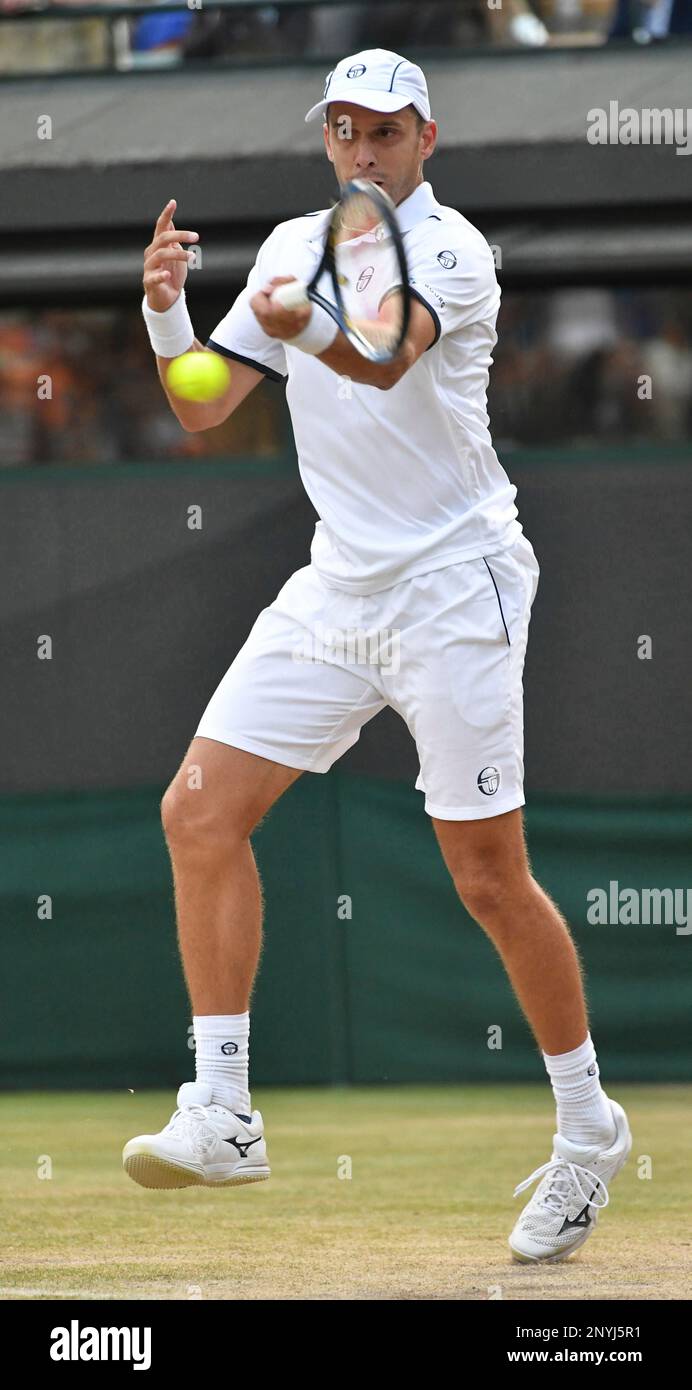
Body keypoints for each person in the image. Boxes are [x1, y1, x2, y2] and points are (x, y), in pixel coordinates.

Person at [127, 48, 631, 1264]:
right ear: (327, 139)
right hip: (337, 584)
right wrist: (163, 311)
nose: (361, 146)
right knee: (198, 813)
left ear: (425, 138)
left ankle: (586, 1130)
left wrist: (311, 323)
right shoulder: (292, 246)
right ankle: (224, 1111)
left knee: (485, 879)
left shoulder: (454, 253)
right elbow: (203, 402)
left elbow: (381, 352)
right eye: (343, 127)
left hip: (457, 587)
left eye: (383, 129)